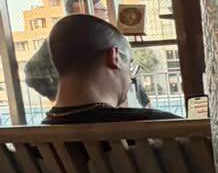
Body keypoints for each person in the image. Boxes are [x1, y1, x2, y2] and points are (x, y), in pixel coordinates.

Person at [43, 14, 178, 125]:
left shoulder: (36, 140)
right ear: (115, 57)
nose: (131, 80)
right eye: (130, 65)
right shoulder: (164, 125)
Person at [24, 0, 108, 102]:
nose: (105, 15)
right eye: (102, 10)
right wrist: (60, 95)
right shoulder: (62, 37)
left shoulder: (96, 37)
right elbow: (32, 71)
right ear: (80, 9)